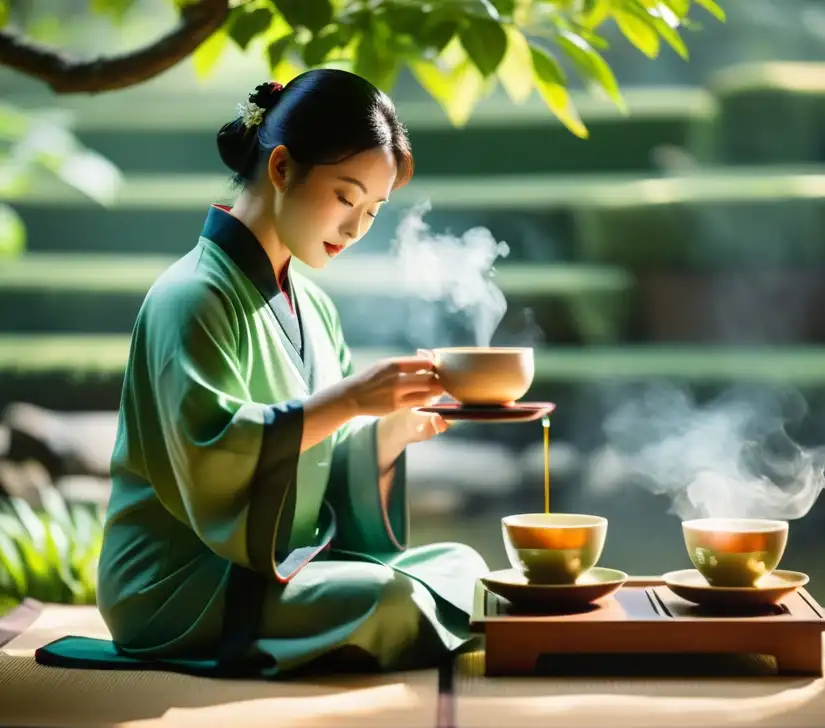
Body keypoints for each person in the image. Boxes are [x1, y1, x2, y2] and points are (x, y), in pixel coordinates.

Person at [36, 70, 491, 678]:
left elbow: (320, 451)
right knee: (393, 598)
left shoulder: (315, 306)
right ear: (281, 169)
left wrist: (384, 435)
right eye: (346, 197)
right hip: (184, 580)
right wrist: (352, 401)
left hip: (280, 561)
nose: (356, 228)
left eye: (375, 211)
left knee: (465, 568)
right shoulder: (190, 297)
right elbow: (213, 450)